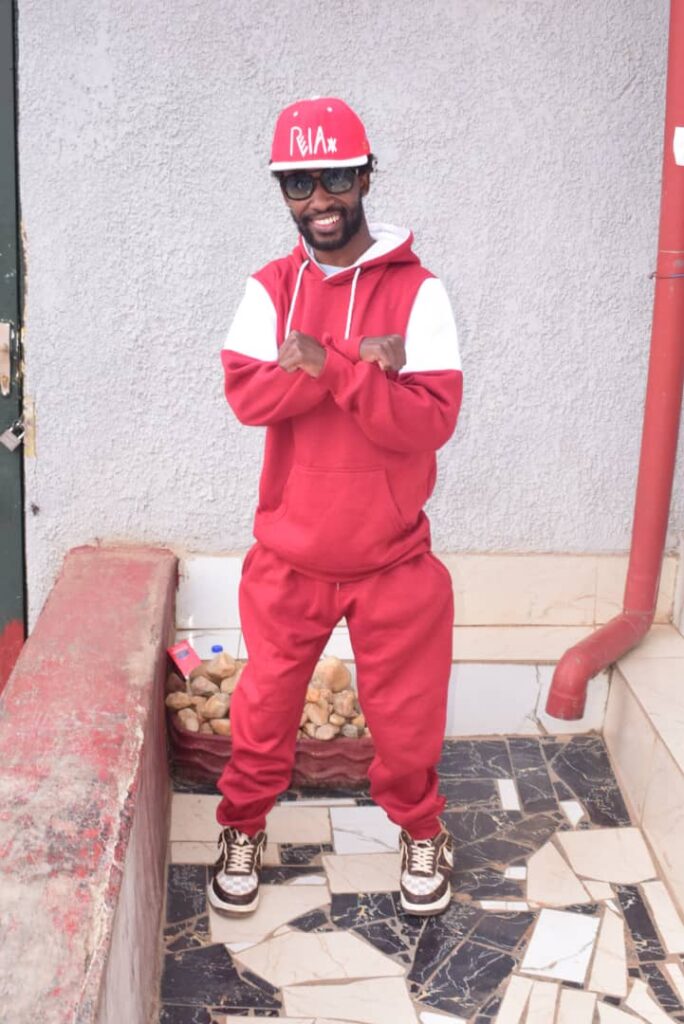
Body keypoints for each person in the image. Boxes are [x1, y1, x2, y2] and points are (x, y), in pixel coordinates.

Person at [209, 97, 463, 918]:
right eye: (299, 183)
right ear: (283, 190)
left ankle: (422, 830)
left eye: (337, 178)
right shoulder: (269, 287)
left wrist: (331, 366)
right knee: (263, 712)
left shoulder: (421, 293)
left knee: (408, 720)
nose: (319, 200)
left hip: (393, 557)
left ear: (365, 177)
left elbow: (430, 421)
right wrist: (359, 364)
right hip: (289, 555)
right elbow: (249, 397)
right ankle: (241, 827)